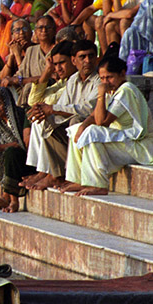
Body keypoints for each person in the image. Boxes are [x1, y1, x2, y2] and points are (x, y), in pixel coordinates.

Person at [60, 56, 153, 196]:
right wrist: (82, 126)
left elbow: (102, 122)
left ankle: (98, 184)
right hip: (124, 143)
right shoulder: (112, 91)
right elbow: (93, 116)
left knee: (93, 133)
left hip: (141, 146)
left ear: (122, 74)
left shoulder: (126, 90)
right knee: (76, 130)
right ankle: (78, 180)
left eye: (109, 77)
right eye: (102, 78)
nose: (105, 82)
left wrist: (101, 94)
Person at [22, 40, 100, 191]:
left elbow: (89, 109)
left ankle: (70, 176)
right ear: (74, 60)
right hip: (75, 125)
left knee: (75, 122)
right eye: (82, 57)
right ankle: (56, 173)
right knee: (49, 121)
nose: (87, 61)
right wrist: (45, 112)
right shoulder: (73, 79)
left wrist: (53, 109)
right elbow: (61, 107)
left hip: (93, 124)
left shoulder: (98, 79)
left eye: (91, 56)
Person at [0, 16, 56, 106]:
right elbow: (18, 75)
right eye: (40, 28)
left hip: (51, 92)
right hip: (29, 95)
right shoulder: (32, 50)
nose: (44, 30)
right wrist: (12, 55)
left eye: (48, 27)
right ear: (36, 32)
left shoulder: (58, 50)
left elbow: (54, 77)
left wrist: (21, 79)